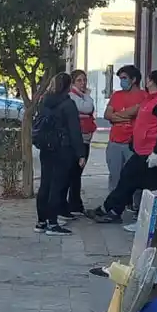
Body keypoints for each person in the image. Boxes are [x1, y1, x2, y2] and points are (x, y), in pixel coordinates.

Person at [91, 70, 157, 224]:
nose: (147, 81)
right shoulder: (149, 99)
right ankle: (112, 210)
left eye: (149, 79)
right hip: (140, 149)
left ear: (153, 81)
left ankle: (118, 211)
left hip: (150, 153)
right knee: (128, 179)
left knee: (142, 184)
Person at [35, 72, 85, 235]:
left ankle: (41, 222)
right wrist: (80, 154)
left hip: (46, 147)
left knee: (45, 184)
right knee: (57, 186)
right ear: (68, 86)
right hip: (63, 149)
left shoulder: (45, 101)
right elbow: (75, 131)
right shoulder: (68, 104)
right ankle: (53, 223)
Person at [103, 65, 147, 196]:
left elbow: (138, 112)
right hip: (115, 142)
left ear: (133, 79)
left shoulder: (144, 96)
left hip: (133, 144)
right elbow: (107, 115)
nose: (122, 81)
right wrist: (128, 114)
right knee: (115, 176)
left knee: (135, 177)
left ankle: (134, 206)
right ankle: (111, 206)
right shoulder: (117, 95)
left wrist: (117, 117)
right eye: (120, 78)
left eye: (124, 78)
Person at [65, 69, 97, 219]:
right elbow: (88, 108)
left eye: (84, 80)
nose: (83, 83)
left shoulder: (81, 96)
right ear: (72, 82)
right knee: (74, 173)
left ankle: (75, 203)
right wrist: (88, 96)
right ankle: (73, 204)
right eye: (79, 80)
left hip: (85, 139)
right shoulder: (73, 96)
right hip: (78, 141)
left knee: (77, 174)